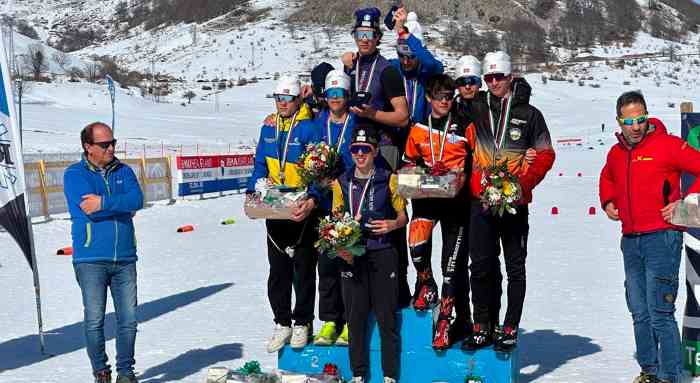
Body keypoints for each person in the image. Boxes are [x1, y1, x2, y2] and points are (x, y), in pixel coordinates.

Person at [599, 91, 700, 383]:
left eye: (640, 118)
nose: (635, 126)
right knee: (639, 312)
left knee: (660, 312)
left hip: (662, 238)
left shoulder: (667, 145)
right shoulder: (616, 153)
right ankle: (650, 371)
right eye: (629, 120)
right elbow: (607, 177)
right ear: (619, 121)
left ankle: (670, 376)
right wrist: (608, 201)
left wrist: (687, 205)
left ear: (647, 116)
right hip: (631, 240)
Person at [463, 51, 555, 352]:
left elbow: (545, 154)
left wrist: (523, 183)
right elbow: (437, 103)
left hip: (515, 201)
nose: (493, 83)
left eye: (499, 77)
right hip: (482, 200)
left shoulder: (529, 114)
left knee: (515, 266)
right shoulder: (474, 107)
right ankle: (482, 324)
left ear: (510, 77)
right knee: (481, 267)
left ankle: (510, 325)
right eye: (488, 78)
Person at [342, 7, 412, 308]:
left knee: (389, 215)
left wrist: (373, 114)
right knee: (356, 215)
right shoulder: (350, 67)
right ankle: (362, 288)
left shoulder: (388, 70)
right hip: (357, 150)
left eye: (370, 34)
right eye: (360, 34)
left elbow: (402, 116)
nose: (365, 39)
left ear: (378, 37)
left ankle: (398, 290)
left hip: (384, 150)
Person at [246, 74, 322, 352]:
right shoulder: (268, 128)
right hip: (275, 207)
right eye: (278, 98)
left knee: (303, 270)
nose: (282, 104)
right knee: (277, 272)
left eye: (287, 99)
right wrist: (252, 189)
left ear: (298, 99)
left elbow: (319, 169)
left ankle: (302, 322)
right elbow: (259, 165)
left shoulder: (309, 129)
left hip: (301, 209)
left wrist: (313, 197)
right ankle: (282, 322)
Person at [63, 122, 144, 383]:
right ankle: (101, 370)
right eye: (104, 144)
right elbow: (88, 209)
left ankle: (126, 372)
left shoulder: (124, 171)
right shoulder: (74, 174)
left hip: (125, 258)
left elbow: (137, 201)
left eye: (113, 143)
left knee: (129, 320)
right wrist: (120, 207)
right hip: (90, 259)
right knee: (95, 319)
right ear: (88, 147)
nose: (111, 148)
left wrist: (104, 203)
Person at [330, 125, 408, 383]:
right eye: (355, 149)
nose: (360, 154)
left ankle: (389, 376)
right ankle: (359, 374)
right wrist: (340, 241)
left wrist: (392, 224)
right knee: (355, 319)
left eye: (366, 149)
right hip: (353, 256)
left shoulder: (389, 178)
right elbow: (335, 219)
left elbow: (403, 216)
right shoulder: (341, 182)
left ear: (375, 151)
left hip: (383, 253)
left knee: (386, 319)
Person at [402, 74, 472, 350]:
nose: (445, 101)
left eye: (448, 96)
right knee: (416, 246)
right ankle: (425, 282)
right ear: (429, 98)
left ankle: (445, 318)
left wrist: (461, 176)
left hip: (456, 201)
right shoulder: (419, 127)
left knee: (451, 266)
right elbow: (409, 161)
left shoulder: (464, 125)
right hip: (426, 199)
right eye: (440, 96)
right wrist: (415, 173)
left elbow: (475, 160)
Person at [313, 69, 356, 346]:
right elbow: (310, 155)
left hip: (351, 202)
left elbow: (364, 156)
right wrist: (318, 178)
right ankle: (330, 320)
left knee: (350, 263)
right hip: (325, 204)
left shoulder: (357, 121)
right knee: (326, 264)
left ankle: (352, 320)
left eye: (340, 93)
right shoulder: (318, 122)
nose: (335, 98)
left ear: (347, 95)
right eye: (331, 94)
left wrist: (341, 179)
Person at [389, 8, 444, 124]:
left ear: (420, 53)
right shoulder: (393, 67)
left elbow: (430, 63)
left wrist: (403, 32)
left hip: (422, 130)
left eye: (411, 56)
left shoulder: (429, 71)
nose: (405, 61)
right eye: (401, 55)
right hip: (397, 128)